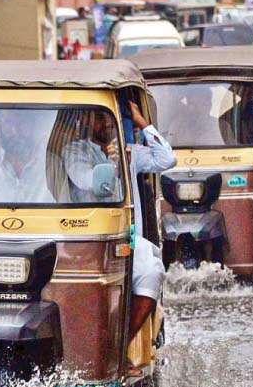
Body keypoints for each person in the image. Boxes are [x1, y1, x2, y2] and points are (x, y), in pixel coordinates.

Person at [62, 102, 176, 354]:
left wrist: (141, 123)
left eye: (109, 119)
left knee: (152, 271)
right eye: (99, 119)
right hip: (90, 239)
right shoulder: (76, 151)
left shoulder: (129, 152)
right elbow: (88, 182)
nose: (105, 124)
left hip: (128, 238)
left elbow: (167, 160)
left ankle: (120, 347)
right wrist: (114, 167)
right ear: (85, 122)